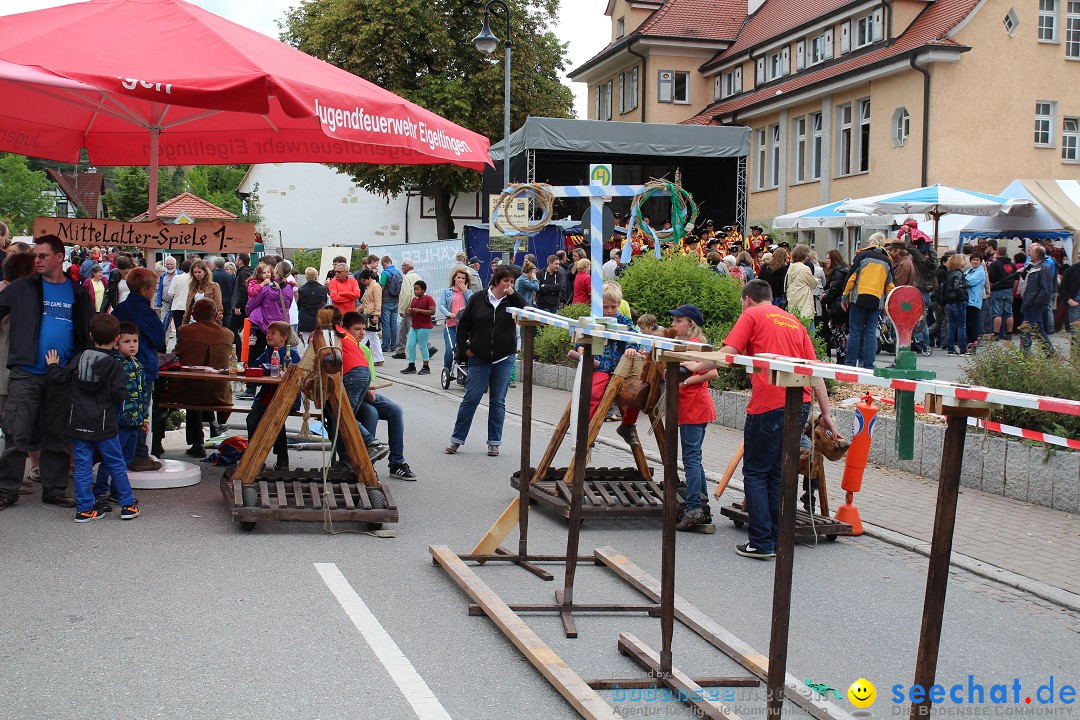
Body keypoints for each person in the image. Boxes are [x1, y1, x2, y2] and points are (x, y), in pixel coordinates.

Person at [689, 280, 838, 558]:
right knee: (776, 472)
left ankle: (760, 540)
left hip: (768, 403)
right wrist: (827, 413)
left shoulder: (751, 315)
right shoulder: (794, 321)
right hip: (800, 404)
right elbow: (815, 370)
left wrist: (694, 366)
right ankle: (775, 536)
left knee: (756, 472)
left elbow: (728, 354)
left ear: (747, 299)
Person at [0, 235, 93, 511]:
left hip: (60, 375)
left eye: (42, 255)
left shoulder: (77, 291)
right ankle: (6, 490)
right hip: (26, 372)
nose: (36, 260)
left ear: (59, 257)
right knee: (16, 432)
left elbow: (87, 333)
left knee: (57, 435)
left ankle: (54, 489)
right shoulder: (22, 288)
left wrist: (72, 366)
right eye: (35, 256)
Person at [45, 314, 139, 522]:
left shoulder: (80, 358)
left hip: (79, 423)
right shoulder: (115, 365)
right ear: (117, 339)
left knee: (82, 466)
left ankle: (85, 508)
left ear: (90, 335)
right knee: (116, 464)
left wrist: (52, 365)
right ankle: (127, 505)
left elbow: (59, 378)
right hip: (104, 423)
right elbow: (118, 394)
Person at [446, 266, 526, 456]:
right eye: (506, 281)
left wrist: (513, 294)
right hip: (479, 357)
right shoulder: (478, 298)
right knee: (471, 398)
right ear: (496, 281)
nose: (509, 285)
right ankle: (456, 439)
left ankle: (494, 442)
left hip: (504, 356)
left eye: (512, 282)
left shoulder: (512, 301)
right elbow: (464, 323)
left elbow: (525, 310)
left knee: (498, 400)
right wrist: (464, 348)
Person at [664, 305, 718, 531]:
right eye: (674, 321)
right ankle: (701, 504)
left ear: (690, 324)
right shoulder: (688, 345)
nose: (674, 325)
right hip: (691, 405)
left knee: (691, 458)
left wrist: (685, 380)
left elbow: (713, 371)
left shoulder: (695, 346)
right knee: (694, 456)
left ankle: (695, 507)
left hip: (694, 406)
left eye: (678, 321)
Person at [568, 283, 642, 446]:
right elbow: (580, 338)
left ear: (618, 304)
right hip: (601, 366)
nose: (609, 311)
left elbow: (633, 338)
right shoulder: (593, 320)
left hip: (620, 369)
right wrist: (580, 347)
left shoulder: (624, 321)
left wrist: (630, 348)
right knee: (594, 393)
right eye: (605, 307)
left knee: (638, 393)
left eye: (613, 307)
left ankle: (628, 425)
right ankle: (586, 428)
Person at [160, 298, 235, 457]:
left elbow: (175, 355)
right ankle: (211, 428)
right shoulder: (228, 334)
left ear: (193, 314)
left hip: (186, 391)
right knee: (202, 384)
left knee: (192, 386)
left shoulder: (184, 331)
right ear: (216, 315)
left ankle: (194, 443)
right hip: (219, 394)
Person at [92, 321, 147, 509]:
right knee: (111, 458)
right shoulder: (115, 364)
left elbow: (143, 393)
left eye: (135, 341)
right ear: (116, 344)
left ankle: (116, 491)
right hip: (118, 421)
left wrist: (144, 417)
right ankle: (99, 491)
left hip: (134, 421)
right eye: (127, 341)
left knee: (127, 458)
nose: (132, 345)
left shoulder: (138, 364)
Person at [246, 321, 301, 471]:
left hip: (285, 399)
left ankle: (282, 458)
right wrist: (250, 370)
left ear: (283, 338)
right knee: (252, 419)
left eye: (273, 333)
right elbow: (256, 370)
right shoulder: (266, 353)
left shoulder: (292, 355)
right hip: (266, 397)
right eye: (268, 332)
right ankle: (253, 455)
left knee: (276, 421)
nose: (268, 336)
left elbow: (298, 378)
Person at [842, 234, 895, 369]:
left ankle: (850, 363)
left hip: (859, 298)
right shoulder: (888, 261)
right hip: (877, 300)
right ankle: (868, 364)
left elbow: (851, 278)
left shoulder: (862, 256)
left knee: (855, 332)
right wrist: (889, 303)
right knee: (871, 332)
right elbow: (890, 285)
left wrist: (844, 296)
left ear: (870, 243)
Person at [247, 261, 294, 370]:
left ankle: (252, 383)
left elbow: (251, 304)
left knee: (256, 353)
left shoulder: (266, 287)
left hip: (263, 325)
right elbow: (288, 305)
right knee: (279, 356)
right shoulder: (289, 288)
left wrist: (253, 313)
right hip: (281, 327)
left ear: (276, 270)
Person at [438, 268, 473, 376]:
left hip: (465, 326)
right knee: (450, 350)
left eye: (463, 278)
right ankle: (447, 370)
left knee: (464, 349)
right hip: (451, 325)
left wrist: (465, 291)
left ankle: (465, 370)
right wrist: (448, 314)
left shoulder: (469, 292)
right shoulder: (447, 292)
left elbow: (473, 304)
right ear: (454, 278)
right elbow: (441, 305)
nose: (460, 280)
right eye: (458, 277)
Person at [1020, 245, 1054, 352]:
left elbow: (1046, 289)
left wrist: (1036, 302)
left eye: (1031, 251)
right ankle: (1049, 352)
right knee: (1038, 329)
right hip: (1030, 303)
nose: (1029, 253)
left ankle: (1024, 354)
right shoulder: (1034, 267)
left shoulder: (1044, 268)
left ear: (1036, 254)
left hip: (1034, 304)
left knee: (1026, 329)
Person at [399, 279, 436, 375]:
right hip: (414, 326)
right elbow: (413, 312)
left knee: (423, 346)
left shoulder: (428, 299)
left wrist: (418, 311)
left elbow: (432, 311)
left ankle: (426, 366)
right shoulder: (414, 300)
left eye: (418, 289)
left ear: (423, 290)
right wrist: (410, 311)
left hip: (424, 326)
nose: (415, 291)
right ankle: (411, 365)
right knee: (411, 345)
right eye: (414, 289)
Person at [821, 250, 850, 361]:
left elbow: (834, 290)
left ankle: (841, 358)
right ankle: (842, 356)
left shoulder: (838, 272)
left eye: (828, 258)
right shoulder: (842, 270)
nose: (827, 260)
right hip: (840, 306)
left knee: (839, 333)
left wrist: (823, 299)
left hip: (837, 308)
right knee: (839, 333)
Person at [392, 260, 422, 357]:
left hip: (409, 308)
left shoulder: (407, 278)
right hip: (417, 305)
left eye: (403, 266)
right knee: (402, 329)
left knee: (415, 329)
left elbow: (406, 295)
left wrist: (402, 309)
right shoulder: (418, 276)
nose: (401, 268)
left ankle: (428, 347)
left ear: (407, 267)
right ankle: (400, 351)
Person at [987, 247, 1019, 340]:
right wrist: (1012, 288)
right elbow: (1016, 278)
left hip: (997, 290)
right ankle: (1009, 333)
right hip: (1009, 290)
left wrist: (991, 288)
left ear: (997, 252)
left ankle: (996, 333)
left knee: (997, 313)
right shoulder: (1012, 264)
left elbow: (991, 279)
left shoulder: (995, 264)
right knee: (1009, 313)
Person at [941, 253, 969, 355]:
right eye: (963, 259)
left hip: (949, 301)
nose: (965, 262)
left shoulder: (950, 273)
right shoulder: (958, 273)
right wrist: (963, 297)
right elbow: (957, 287)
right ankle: (963, 348)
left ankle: (950, 348)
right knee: (962, 325)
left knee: (952, 325)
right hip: (958, 301)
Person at [783, 245, 817, 324]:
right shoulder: (805, 268)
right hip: (804, 306)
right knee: (809, 333)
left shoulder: (790, 268)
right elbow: (813, 284)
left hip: (793, 305)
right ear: (804, 256)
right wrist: (816, 280)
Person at [357, 268, 385, 365]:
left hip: (371, 314)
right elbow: (365, 302)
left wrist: (376, 314)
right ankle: (378, 358)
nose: (363, 282)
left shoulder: (375, 287)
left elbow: (378, 301)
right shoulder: (370, 287)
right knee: (373, 337)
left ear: (369, 278)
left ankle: (357, 354)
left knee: (364, 336)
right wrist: (357, 310)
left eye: (364, 280)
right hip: (369, 314)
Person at [182, 259, 222, 324]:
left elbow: (218, 307)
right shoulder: (193, 287)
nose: (197, 274)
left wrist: (216, 323)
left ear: (205, 272)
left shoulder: (214, 286)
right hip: (193, 321)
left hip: (208, 322)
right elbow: (188, 307)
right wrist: (184, 324)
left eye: (199, 272)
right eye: (195, 272)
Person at [229, 252, 254, 356]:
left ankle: (238, 352)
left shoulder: (242, 273)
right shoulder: (249, 272)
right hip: (246, 305)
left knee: (232, 329)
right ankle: (240, 351)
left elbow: (243, 289)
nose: (235, 261)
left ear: (240, 261)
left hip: (241, 306)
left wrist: (238, 305)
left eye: (237, 259)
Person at [297, 267, 329, 342]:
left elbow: (299, 305)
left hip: (305, 320)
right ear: (316, 276)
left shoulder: (301, 290)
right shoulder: (323, 289)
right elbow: (325, 302)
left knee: (307, 343)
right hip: (319, 319)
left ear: (306, 276)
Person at [379, 256, 403, 352]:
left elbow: (382, 288)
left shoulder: (385, 273)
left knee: (385, 324)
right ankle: (394, 346)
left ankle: (385, 345)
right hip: (396, 301)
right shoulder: (398, 272)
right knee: (394, 324)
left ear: (384, 263)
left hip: (386, 301)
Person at [964, 252, 987, 350]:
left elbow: (969, 281)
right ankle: (969, 343)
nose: (975, 261)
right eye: (973, 259)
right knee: (968, 322)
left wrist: (962, 280)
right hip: (968, 299)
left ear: (981, 262)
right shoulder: (970, 270)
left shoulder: (980, 272)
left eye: (977, 260)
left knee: (972, 323)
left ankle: (972, 343)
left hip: (974, 300)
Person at [155, 255, 180, 332]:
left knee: (178, 324)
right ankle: (164, 342)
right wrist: (158, 304)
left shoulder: (180, 275)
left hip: (176, 303)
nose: (169, 266)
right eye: (167, 264)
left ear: (175, 265)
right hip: (165, 303)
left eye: (171, 264)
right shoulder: (163, 276)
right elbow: (160, 290)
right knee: (163, 324)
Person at [168, 259, 192, 332]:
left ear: (181, 269)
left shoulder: (177, 278)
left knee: (179, 328)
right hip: (189, 306)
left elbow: (170, 293)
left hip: (177, 306)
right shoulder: (193, 278)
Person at [212, 256, 235, 322]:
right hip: (228, 302)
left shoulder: (211, 276)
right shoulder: (230, 276)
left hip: (215, 303)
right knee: (227, 322)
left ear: (215, 265)